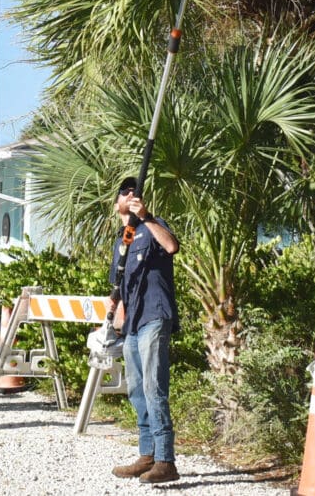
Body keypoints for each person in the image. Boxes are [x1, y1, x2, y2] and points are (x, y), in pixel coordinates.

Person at [107, 176, 182, 485]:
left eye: (132, 190)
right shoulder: (122, 240)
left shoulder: (152, 226)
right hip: (133, 323)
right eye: (123, 191)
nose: (129, 193)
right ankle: (147, 454)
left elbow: (172, 245)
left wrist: (147, 216)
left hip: (154, 315)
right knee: (137, 390)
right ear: (116, 205)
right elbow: (118, 284)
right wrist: (115, 313)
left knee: (153, 387)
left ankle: (166, 460)